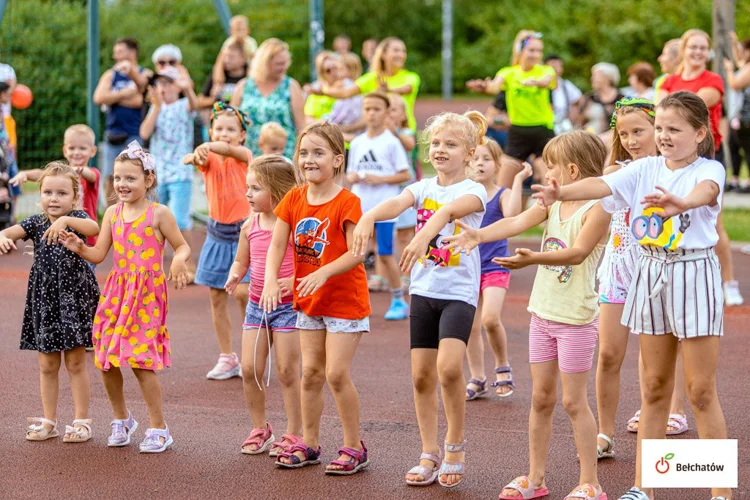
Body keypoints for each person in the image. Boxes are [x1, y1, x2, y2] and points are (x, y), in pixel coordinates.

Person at [533, 91, 732, 500]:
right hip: (650, 270)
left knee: (700, 391)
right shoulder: (643, 169)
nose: (663, 136)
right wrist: (561, 193)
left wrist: (681, 203)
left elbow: (707, 192)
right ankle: (646, 488)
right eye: (660, 128)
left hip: (693, 273)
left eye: (673, 129)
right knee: (654, 386)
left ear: (699, 133)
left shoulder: (709, 168)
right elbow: (600, 183)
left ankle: (720, 491)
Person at [446, 130, 611, 500]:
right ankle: (536, 479)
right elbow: (517, 223)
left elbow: (578, 253)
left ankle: (591, 483)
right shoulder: (552, 203)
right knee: (541, 398)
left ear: (571, 169)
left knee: (573, 401)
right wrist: (478, 235)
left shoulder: (599, 207)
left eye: (549, 165)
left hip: (576, 320)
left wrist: (533, 258)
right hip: (543, 314)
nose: (544, 171)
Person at [354, 111, 489, 488]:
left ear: (470, 152)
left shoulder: (474, 190)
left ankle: (454, 445)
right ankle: (428, 451)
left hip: (458, 293)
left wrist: (419, 239)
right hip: (424, 293)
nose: (441, 150)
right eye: (436, 144)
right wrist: (367, 219)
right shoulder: (422, 186)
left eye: (451, 144)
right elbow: (396, 204)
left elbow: (447, 212)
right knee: (420, 376)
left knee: (449, 369)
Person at [59, 142, 190, 453]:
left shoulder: (159, 213)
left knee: (141, 362)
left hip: (146, 296)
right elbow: (99, 253)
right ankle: (122, 420)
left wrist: (180, 259)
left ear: (148, 179)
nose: (122, 184)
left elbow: (181, 246)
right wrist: (79, 248)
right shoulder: (113, 214)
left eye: (130, 178)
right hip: (116, 293)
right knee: (105, 360)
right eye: (118, 178)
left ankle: (159, 427)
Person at [262, 122, 370, 475]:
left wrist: (323, 272)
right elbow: (279, 242)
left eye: (318, 153)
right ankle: (308, 442)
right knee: (310, 373)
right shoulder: (294, 198)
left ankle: (354, 446)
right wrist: (270, 281)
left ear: (337, 160)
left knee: (336, 374)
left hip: (344, 301)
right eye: (304, 152)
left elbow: (356, 252)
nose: (309, 159)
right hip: (310, 302)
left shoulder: (347, 201)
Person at [594, 98, 689, 464]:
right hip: (618, 268)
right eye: (624, 133)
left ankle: (673, 410)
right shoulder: (618, 170)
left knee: (660, 353)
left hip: (658, 268)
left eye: (639, 131)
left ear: (659, 131)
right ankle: (605, 432)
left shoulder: (674, 172)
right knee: (608, 353)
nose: (631, 140)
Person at [0, 163, 100, 443]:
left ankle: (81, 421)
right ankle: (49, 421)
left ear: (74, 197)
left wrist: (66, 222)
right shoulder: (35, 222)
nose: (53, 199)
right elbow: (9, 232)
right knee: (47, 365)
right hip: (45, 302)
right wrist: (2, 237)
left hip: (73, 302)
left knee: (76, 362)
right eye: (47, 192)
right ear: (39, 195)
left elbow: (94, 227)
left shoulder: (77, 218)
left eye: (61, 193)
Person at [658, 28, 744, 307]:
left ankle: (728, 282)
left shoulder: (713, 79)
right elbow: (658, 109)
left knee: (714, 221)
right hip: (672, 158)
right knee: (669, 214)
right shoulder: (669, 80)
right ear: (683, 49)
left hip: (706, 155)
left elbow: (693, 104)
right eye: (692, 47)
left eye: (702, 48)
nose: (697, 52)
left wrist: (666, 98)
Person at [224, 155, 302, 456]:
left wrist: (294, 280)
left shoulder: (293, 226)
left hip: (288, 308)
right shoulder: (250, 225)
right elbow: (242, 260)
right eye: (248, 187)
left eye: (255, 188)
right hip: (257, 305)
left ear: (278, 191)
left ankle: (294, 430)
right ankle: (260, 427)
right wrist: (234, 276)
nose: (248, 194)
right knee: (249, 369)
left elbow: (308, 264)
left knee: (286, 371)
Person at [183, 103, 253, 380]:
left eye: (231, 130)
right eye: (219, 129)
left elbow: (224, 149)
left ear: (242, 135)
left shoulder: (244, 155)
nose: (224, 134)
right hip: (217, 233)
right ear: (211, 130)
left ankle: (253, 352)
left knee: (244, 294)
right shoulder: (209, 158)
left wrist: (208, 145)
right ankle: (228, 357)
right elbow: (198, 159)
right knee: (216, 296)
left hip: (244, 234)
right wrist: (195, 155)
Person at [464, 143, 531, 401]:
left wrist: (517, 180)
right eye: (475, 159)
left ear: (497, 166)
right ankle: (477, 377)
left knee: (490, 319)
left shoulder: (501, 193)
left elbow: (513, 214)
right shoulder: (464, 195)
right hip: (468, 266)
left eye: (487, 159)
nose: (480, 164)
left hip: (495, 265)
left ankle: (502, 367)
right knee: (469, 326)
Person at [346, 92, 411, 320]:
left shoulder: (392, 143)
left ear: (385, 113)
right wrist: (353, 177)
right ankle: (354, 300)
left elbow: (404, 174)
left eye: (376, 109)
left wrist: (379, 179)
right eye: (367, 109)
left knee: (384, 254)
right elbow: (350, 173)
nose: (371, 113)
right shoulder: (356, 143)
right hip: (359, 209)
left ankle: (398, 300)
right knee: (354, 254)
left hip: (383, 208)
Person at [466, 30, 556, 187]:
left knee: (550, 180)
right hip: (518, 132)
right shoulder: (508, 73)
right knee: (503, 183)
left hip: (543, 131)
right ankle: (501, 210)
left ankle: (550, 210)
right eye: (532, 50)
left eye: (539, 51)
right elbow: (494, 87)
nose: (536, 55)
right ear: (521, 51)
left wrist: (536, 82)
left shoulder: (546, 70)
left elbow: (547, 81)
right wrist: (483, 87)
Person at [139, 65, 198, 280]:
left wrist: (188, 88)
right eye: (159, 84)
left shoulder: (183, 105)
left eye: (167, 83)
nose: (162, 88)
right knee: (153, 220)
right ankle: (151, 268)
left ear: (177, 86)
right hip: (158, 173)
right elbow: (144, 132)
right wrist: (156, 106)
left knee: (180, 221)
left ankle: (189, 267)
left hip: (180, 172)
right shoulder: (155, 109)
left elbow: (195, 105)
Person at [10, 125, 100, 249]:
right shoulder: (60, 176)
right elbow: (43, 174)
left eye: (82, 148)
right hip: (62, 232)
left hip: (85, 235)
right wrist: (25, 174)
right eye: (72, 148)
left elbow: (90, 175)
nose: (77, 152)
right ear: (65, 151)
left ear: (92, 151)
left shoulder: (93, 173)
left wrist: (79, 170)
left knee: (84, 266)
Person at [311, 37, 421, 132]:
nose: (401, 54)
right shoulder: (372, 77)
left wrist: (388, 90)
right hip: (378, 135)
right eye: (396, 50)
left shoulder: (411, 77)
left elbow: (406, 89)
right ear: (383, 54)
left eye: (403, 51)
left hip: (404, 133)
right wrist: (323, 91)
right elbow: (346, 93)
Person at [93, 37, 150, 205]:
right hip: (113, 134)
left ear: (132, 53)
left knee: (136, 175)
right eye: (114, 52)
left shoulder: (144, 72)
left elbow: (140, 100)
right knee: (111, 178)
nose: (115, 56)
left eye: (119, 52)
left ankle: (134, 212)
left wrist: (112, 98)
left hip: (135, 134)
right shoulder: (110, 75)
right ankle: (112, 216)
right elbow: (98, 97)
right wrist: (126, 93)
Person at [232, 38, 306, 159]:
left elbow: (301, 127)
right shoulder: (244, 86)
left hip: (282, 158)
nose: (284, 67)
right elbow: (232, 122)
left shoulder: (291, 86)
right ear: (264, 63)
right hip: (248, 156)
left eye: (286, 63)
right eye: (279, 64)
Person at [724, 37, 750, 193]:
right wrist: (734, 43)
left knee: (747, 149)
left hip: (746, 117)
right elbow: (739, 60)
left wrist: (728, 70)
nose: (741, 53)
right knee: (734, 145)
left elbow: (735, 84)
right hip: (738, 116)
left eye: (744, 50)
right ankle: (734, 179)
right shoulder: (745, 65)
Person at [209, 15, 257, 96]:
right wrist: (218, 81)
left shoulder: (250, 42)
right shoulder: (229, 42)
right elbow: (219, 62)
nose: (239, 34)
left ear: (247, 31)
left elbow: (255, 62)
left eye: (241, 30)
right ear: (231, 31)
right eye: (236, 30)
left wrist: (251, 80)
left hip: (248, 71)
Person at [576, 62, 625, 136]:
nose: (592, 79)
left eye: (596, 75)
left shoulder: (622, 99)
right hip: (591, 141)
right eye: (593, 76)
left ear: (609, 77)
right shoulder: (589, 98)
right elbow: (579, 122)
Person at [198, 41, 249, 108]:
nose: (226, 60)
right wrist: (214, 99)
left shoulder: (249, 78)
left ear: (243, 59)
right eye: (225, 57)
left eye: (231, 57)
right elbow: (199, 102)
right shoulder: (218, 76)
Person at [545, 54, 583, 135]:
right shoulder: (538, 85)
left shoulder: (565, 85)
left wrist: (573, 117)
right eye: (553, 66)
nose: (556, 69)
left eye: (559, 66)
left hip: (561, 126)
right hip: (544, 126)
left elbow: (580, 100)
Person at [304, 51, 339, 124]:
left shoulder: (348, 88)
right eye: (328, 70)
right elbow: (308, 118)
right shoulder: (315, 90)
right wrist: (325, 124)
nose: (333, 72)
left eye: (335, 68)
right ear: (322, 73)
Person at [0, 52, 17, 152]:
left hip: (6, 117)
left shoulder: (7, 69)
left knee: (11, 146)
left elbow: (11, 87)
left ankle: (12, 167)